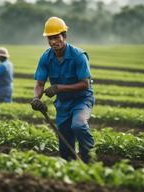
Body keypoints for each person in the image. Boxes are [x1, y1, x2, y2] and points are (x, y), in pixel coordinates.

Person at [30, 17, 95, 163]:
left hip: (81, 99)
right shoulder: (46, 57)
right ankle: (70, 165)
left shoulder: (78, 56)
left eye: (56, 37)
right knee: (64, 138)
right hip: (63, 103)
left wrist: (58, 88)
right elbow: (40, 83)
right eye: (50, 38)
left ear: (64, 36)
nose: (53, 42)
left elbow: (85, 84)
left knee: (78, 125)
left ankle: (89, 158)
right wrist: (35, 98)